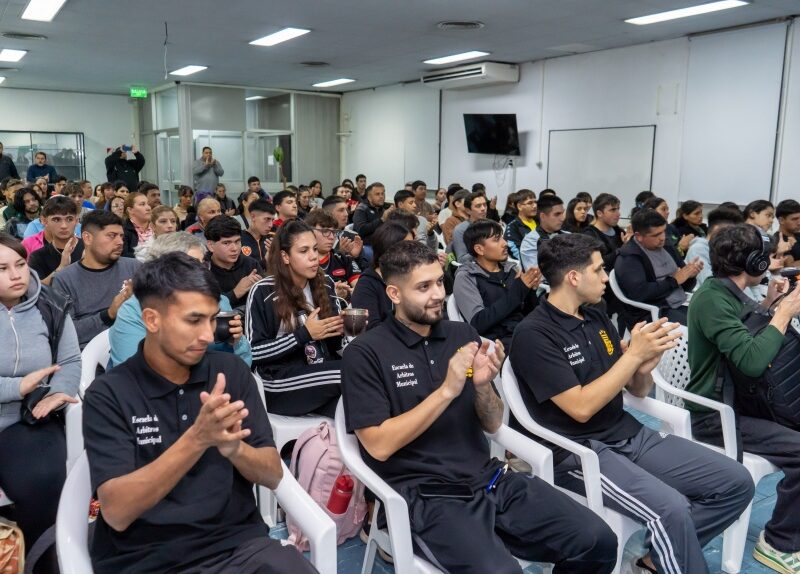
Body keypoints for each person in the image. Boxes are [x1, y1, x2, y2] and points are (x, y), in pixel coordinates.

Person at [342, 240, 618, 574]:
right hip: (424, 497)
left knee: (596, 538)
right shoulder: (366, 352)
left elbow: (492, 422)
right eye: (423, 287)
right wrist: (446, 390)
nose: (436, 295)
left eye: (439, 283)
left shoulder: (462, 335)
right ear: (394, 294)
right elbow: (379, 446)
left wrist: (483, 385)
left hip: (489, 479)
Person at [511, 233, 754, 574]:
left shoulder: (594, 318)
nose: (606, 277)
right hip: (581, 452)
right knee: (669, 509)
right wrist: (634, 354)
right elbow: (580, 408)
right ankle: (675, 553)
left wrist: (643, 367)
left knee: (736, 482)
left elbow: (635, 389)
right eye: (598, 270)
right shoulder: (534, 334)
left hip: (627, 434)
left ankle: (658, 557)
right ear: (574, 277)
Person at [83, 252, 312, 574]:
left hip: (237, 546)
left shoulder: (230, 373)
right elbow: (117, 512)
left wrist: (235, 449)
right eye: (193, 320)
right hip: (146, 558)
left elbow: (272, 473)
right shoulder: (110, 393)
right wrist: (197, 439)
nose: (207, 335)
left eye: (211, 319)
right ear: (152, 320)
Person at [687, 223, 800, 574]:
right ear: (753, 262)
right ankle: (778, 543)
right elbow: (752, 361)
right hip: (717, 415)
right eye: (767, 257)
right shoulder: (711, 299)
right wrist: (783, 313)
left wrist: (770, 303)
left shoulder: (729, 293)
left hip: (747, 402)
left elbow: (747, 329)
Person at [0, 233, 81, 574]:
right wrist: (18, 386)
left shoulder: (49, 302)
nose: (16, 275)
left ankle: (40, 561)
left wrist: (57, 392)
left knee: (44, 480)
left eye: (20, 264)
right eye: (2, 269)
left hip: (29, 417)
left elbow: (72, 360)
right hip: (17, 401)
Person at [244, 220, 343, 418]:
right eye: (304, 251)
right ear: (285, 256)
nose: (314, 256)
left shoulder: (326, 285)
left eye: (315, 249)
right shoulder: (263, 291)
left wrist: (344, 330)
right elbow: (253, 353)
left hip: (320, 374)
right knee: (351, 373)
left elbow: (335, 347)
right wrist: (304, 334)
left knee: (359, 401)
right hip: (277, 382)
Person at [109, 232, 251, 368]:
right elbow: (132, 375)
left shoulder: (217, 301)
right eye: (191, 265)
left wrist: (237, 342)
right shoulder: (134, 311)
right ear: (161, 271)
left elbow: (244, 364)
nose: (201, 272)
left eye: (202, 264)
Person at [53, 210, 140, 348]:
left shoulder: (134, 267)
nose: (120, 242)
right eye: (112, 236)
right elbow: (66, 333)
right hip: (91, 353)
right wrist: (109, 314)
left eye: (121, 236)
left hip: (136, 342)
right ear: (87, 238)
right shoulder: (64, 280)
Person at [453, 220, 540, 347]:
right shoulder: (467, 277)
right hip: (498, 343)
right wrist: (519, 289)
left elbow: (531, 312)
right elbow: (479, 322)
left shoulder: (511, 270)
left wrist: (530, 290)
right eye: (496, 240)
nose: (505, 244)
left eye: (503, 238)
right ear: (479, 249)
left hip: (525, 332)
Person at [614, 209, 703, 327]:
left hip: (679, 303)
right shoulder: (629, 257)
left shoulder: (666, 246)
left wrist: (690, 275)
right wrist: (674, 280)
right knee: (698, 329)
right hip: (651, 312)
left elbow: (683, 283)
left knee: (711, 318)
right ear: (639, 236)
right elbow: (639, 294)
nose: (662, 237)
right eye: (656, 235)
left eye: (663, 231)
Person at [350, 222, 412, 331]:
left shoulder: (411, 275)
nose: (414, 253)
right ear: (389, 250)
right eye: (407, 248)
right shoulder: (367, 285)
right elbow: (371, 329)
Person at [204, 215, 264, 309]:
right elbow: (206, 308)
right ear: (211, 246)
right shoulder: (203, 270)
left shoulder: (251, 265)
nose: (234, 248)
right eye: (226, 243)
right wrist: (235, 293)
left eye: (237, 241)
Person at [28, 197, 85, 286]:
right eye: (56, 220)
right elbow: (37, 289)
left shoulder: (90, 248)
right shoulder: (38, 257)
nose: (64, 226)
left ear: (77, 221)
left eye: (69, 219)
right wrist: (62, 267)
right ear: (44, 221)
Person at [686, 207, 746, 287]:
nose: (735, 238)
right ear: (718, 231)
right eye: (733, 234)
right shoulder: (698, 249)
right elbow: (709, 282)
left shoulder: (724, 249)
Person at [305, 210, 361, 295]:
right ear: (309, 232)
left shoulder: (343, 257)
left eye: (334, 232)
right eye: (325, 231)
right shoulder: (302, 261)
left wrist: (350, 292)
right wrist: (331, 293)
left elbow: (359, 287)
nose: (331, 237)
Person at [519, 194, 569, 270]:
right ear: (543, 216)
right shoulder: (530, 241)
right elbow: (536, 275)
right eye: (557, 214)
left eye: (563, 213)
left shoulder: (569, 236)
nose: (562, 218)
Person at [353, 182, 392, 250]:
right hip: (367, 245)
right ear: (369, 197)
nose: (381, 196)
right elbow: (361, 230)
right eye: (377, 194)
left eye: (383, 193)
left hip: (384, 242)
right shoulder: (361, 208)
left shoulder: (384, 207)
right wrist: (382, 220)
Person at [450, 192, 488, 263]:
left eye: (485, 205)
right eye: (478, 206)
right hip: (473, 268)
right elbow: (462, 259)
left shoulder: (492, 226)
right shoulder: (461, 230)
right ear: (468, 211)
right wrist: (482, 250)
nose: (483, 208)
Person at [503, 189, 537, 260]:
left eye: (535, 202)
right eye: (530, 203)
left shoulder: (541, 222)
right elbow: (515, 253)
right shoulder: (512, 227)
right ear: (519, 206)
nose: (535, 206)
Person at [240, 199, 275, 270]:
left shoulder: (273, 238)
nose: (271, 225)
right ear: (253, 217)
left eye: (272, 220)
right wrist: (266, 260)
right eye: (267, 219)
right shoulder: (238, 239)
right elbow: (242, 270)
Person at [121, 192, 153, 258]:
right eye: (142, 204)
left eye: (148, 204)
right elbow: (124, 256)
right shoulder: (122, 230)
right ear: (130, 210)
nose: (148, 208)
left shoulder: (157, 226)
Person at [774, 199, 800, 267]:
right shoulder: (778, 240)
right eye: (794, 219)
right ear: (781, 220)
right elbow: (790, 266)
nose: (799, 223)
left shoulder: (798, 234)